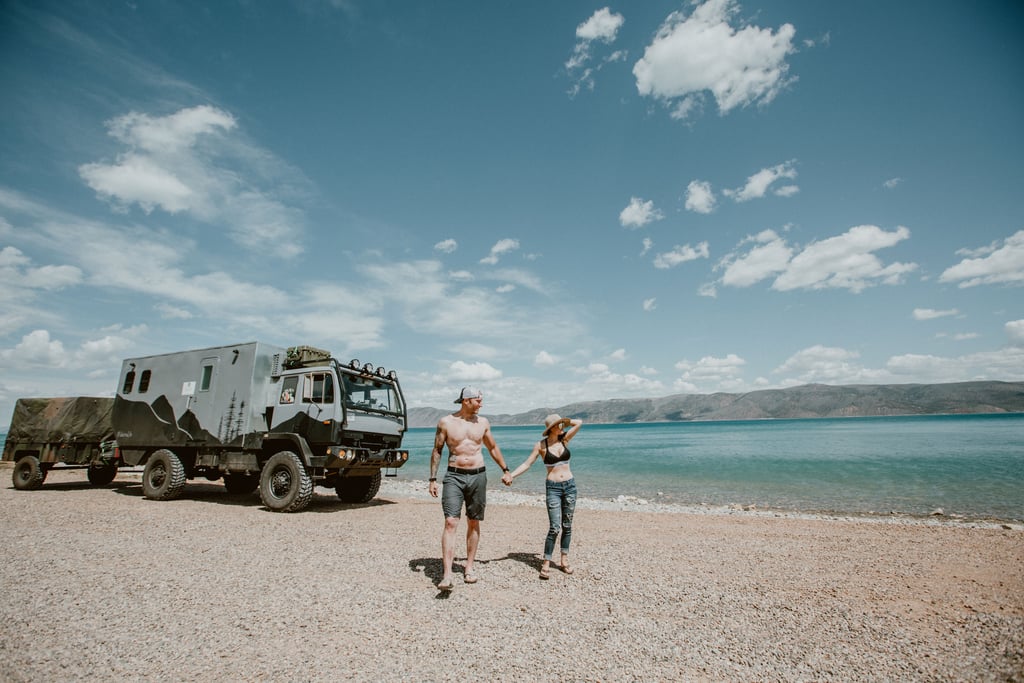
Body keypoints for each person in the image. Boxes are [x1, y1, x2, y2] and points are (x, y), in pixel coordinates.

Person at [429, 387, 513, 590]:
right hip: (454, 476)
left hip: (478, 476)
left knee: (473, 521)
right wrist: (432, 478)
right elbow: (437, 449)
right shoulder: (446, 422)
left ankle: (469, 567)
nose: (481, 404)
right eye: (478, 400)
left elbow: (492, 447)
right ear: (466, 401)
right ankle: (447, 575)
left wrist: (506, 469)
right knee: (450, 521)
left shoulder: (482, 423)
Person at [505, 413, 582, 580]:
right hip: (553, 488)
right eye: (559, 424)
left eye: (562, 424)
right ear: (552, 427)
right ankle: (546, 561)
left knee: (567, 525)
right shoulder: (541, 445)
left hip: (570, 486)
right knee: (555, 527)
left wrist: (565, 422)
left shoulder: (565, 439)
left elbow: (579, 423)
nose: (562, 427)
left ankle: (564, 559)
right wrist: (511, 475)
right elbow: (527, 463)